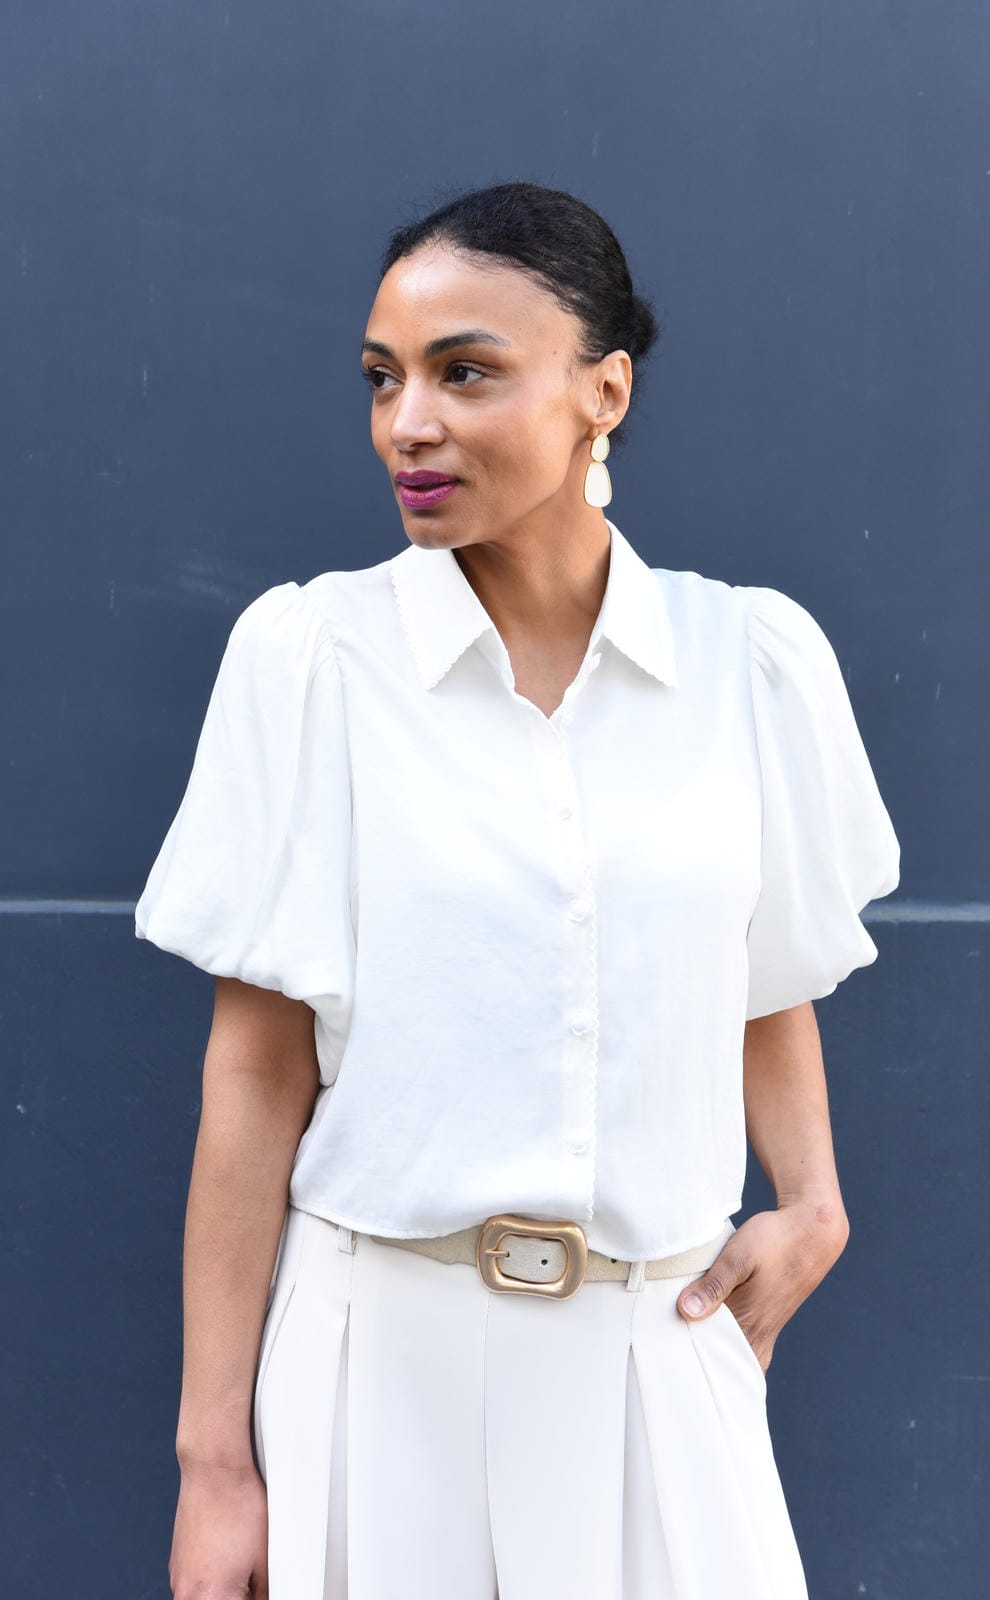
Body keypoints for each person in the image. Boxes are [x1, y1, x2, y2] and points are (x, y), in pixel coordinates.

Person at [134, 180, 901, 1600]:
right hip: (375, 1370)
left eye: (465, 372)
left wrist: (813, 1200)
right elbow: (254, 1075)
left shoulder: (749, 663)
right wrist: (215, 1465)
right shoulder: (314, 661)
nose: (407, 424)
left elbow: (761, 971)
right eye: (384, 379)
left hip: (659, 1356)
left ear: (604, 392)